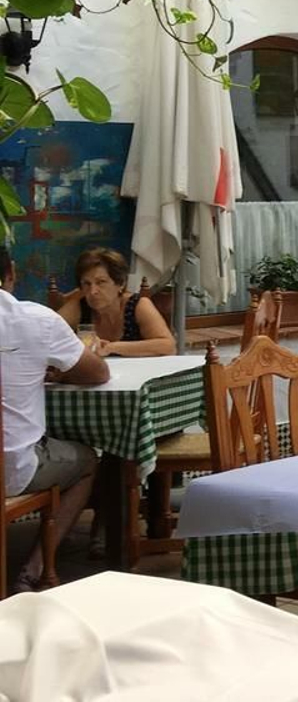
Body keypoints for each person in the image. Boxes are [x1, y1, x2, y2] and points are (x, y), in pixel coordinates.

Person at [1, 245, 110, 592]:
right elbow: (97, 373)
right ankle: (33, 571)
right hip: (11, 470)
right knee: (88, 460)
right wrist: (54, 372)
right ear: (11, 274)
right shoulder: (33, 320)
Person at [54, 248, 176, 357]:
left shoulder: (138, 305)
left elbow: (168, 346)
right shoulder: (79, 306)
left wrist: (111, 348)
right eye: (86, 283)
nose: (93, 291)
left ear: (120, 283)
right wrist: (74, 343)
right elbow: (45, 333)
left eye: (101, 282)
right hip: (93, 376)